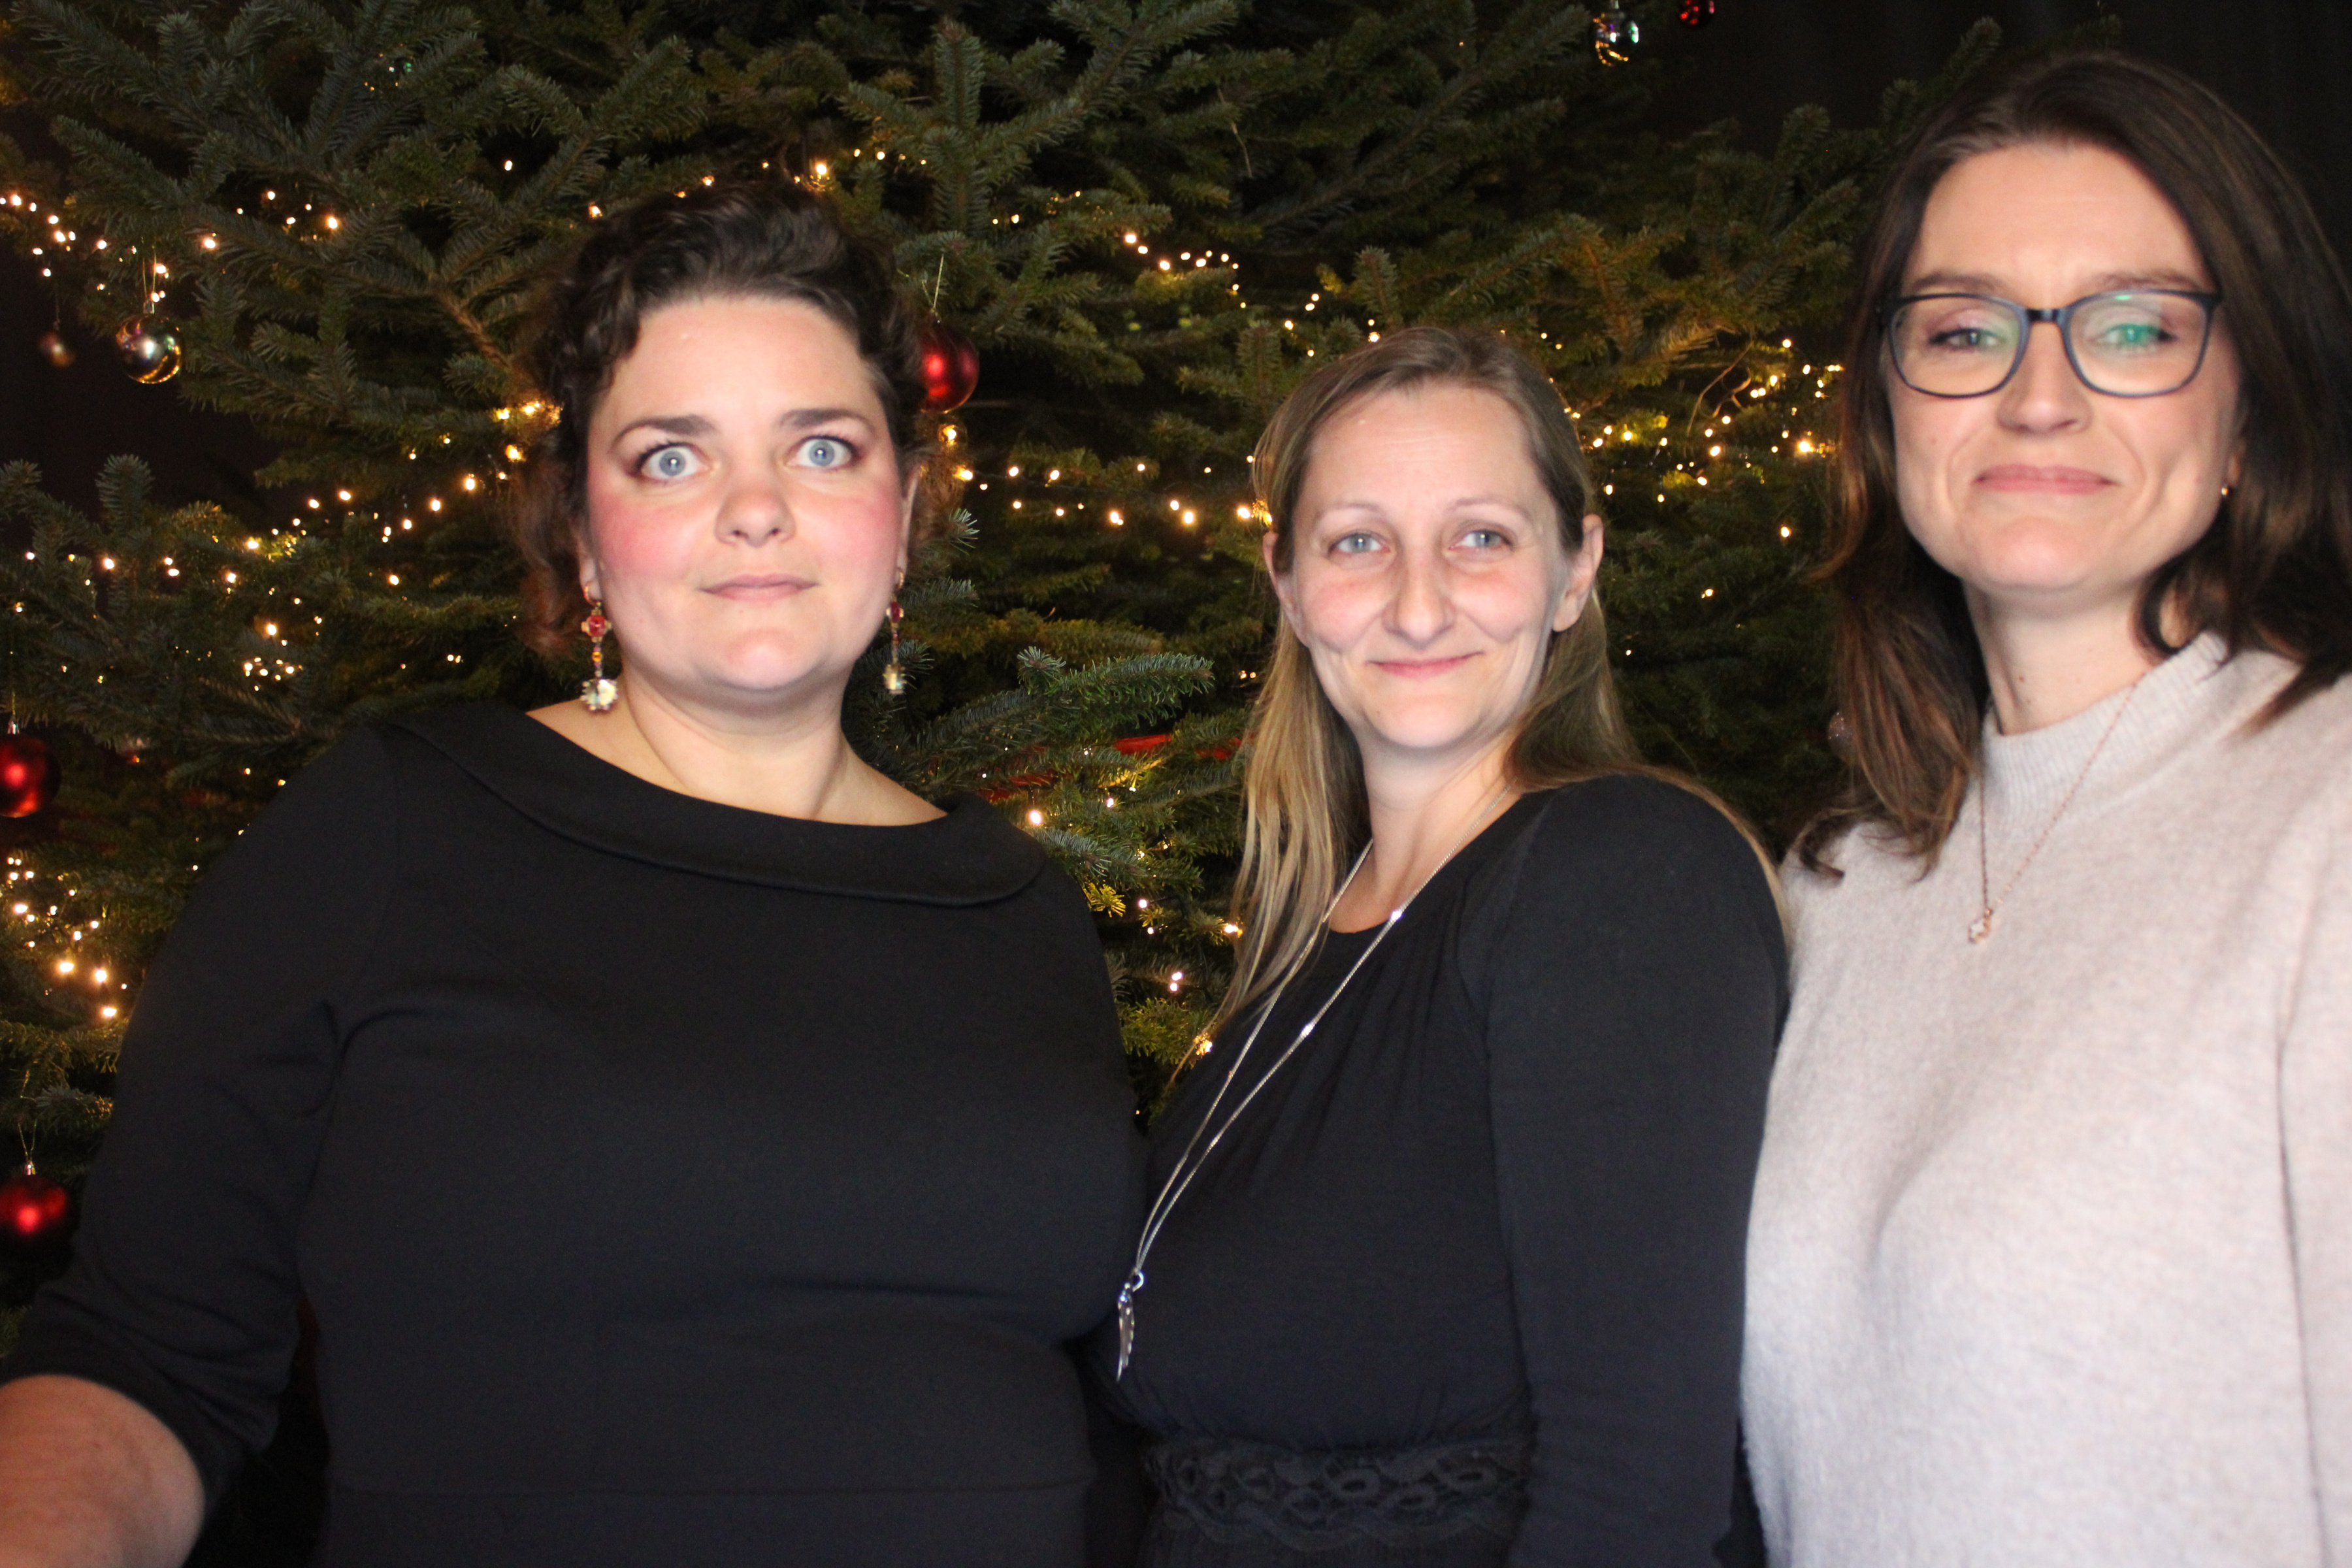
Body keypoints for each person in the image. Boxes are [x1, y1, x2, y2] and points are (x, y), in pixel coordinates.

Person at [0, 181, 1143, 1568]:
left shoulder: (1021, 907)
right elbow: (140, 1360)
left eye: (822, 449)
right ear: (585, 535)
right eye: (671, 457)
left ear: (902, 517)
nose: (756, 511)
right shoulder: (392, 832)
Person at [1742, 48, 2352, 1567]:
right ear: (1886, 411)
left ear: (2250, 411)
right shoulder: (1842, 887)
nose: (2038, 398)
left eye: (2133, 328)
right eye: (1964, 330)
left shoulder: (2328, 816)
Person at [1102, 326, 1787, 1566]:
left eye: (1481, 537)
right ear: (1288, 585)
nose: (1419, 606)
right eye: (1358, 543)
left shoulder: (1621, 874)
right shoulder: (1308, 942)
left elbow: (1637, 1491)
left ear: (1574, 572)